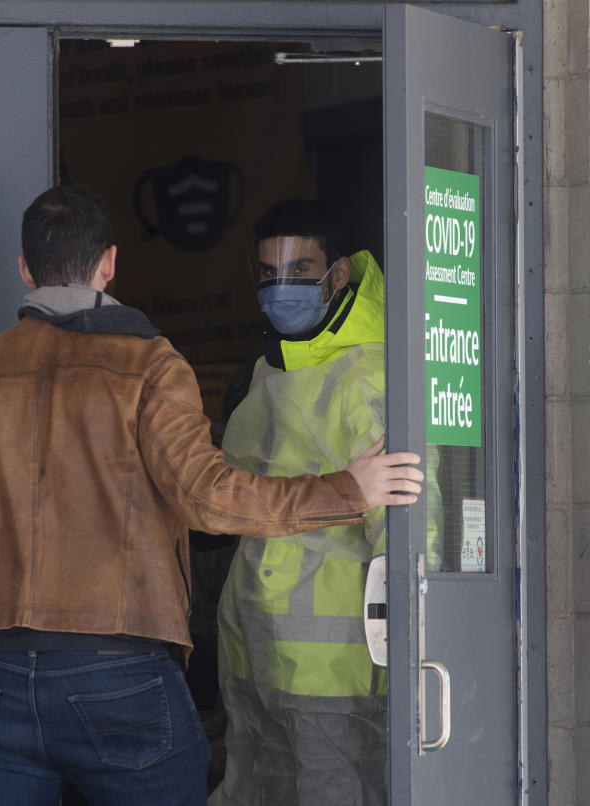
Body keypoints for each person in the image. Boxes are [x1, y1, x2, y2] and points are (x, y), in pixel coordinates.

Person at [0, 185, 422, 806]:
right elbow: (205, 498)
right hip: (121, 667)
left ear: (25, 269)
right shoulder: (147, 365)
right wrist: (345, 492)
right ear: (110, 263)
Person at [209, 198, 396, 806]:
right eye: (268, 273)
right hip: (254, 649)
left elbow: (402, 533)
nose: (280, 286)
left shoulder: (368, 375)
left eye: (299, 271)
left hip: (333, 661)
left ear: (338, 275)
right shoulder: (271, 368)